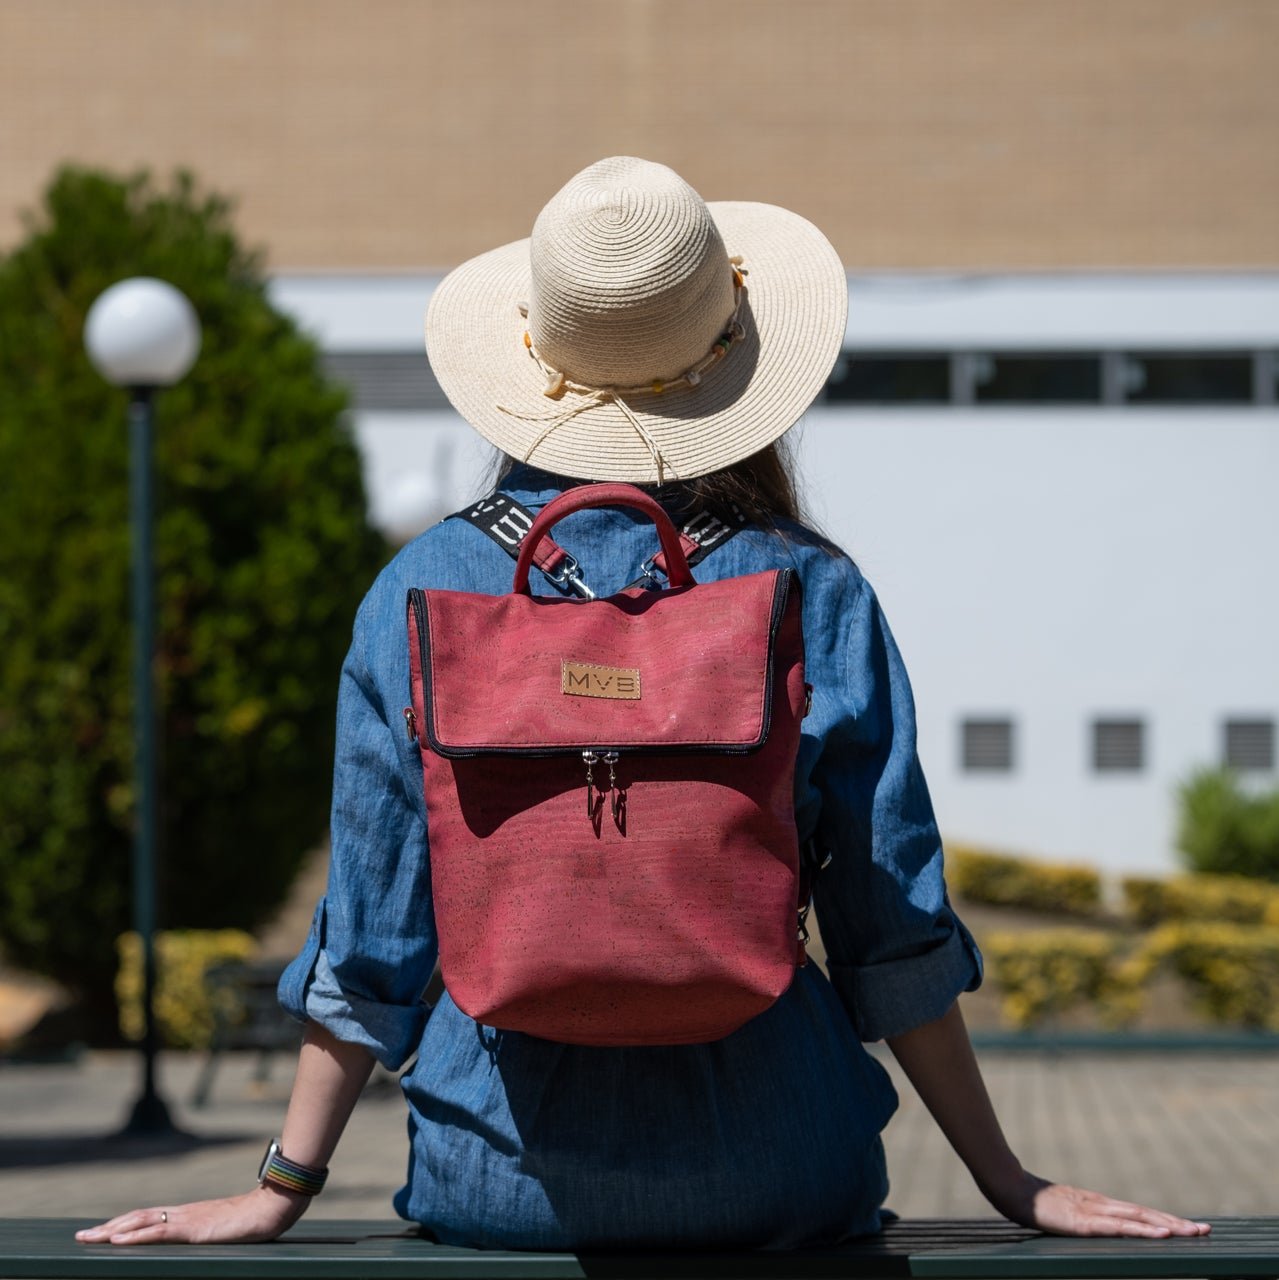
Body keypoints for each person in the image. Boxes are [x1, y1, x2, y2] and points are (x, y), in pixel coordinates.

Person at [79, 157, 1210, 1250]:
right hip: (781, 1169)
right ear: (731, 366)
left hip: (500, 1179)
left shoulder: (416, 593)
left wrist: (280, 1185)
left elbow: (374, 932)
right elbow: (888, 919)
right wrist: (1008, 1178)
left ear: (531, 359)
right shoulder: (809, 586)